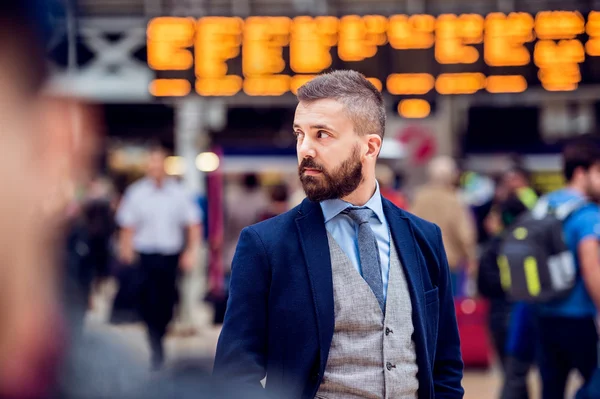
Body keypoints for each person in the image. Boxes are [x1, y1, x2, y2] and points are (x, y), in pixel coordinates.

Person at [213, 70, 463, 399]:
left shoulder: (424, 238)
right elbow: (233, 374)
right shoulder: (266, 245)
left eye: (322, 135)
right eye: (300, 134)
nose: (305, 149)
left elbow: (444, 366)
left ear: (369, 147)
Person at [116, 144, 202, 369]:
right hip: (145, 255)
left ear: (165, 165)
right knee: (146, 300)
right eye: (151, 164)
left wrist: (190, 252)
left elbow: (193, 224)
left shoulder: (179, 193)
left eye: (158, 164)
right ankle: (155, 342)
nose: (155, 168)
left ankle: (160, 332)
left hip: (169, 255)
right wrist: (126, 250)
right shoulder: (136, 193)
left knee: (165, 301)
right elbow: (127, 225)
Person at [534, 136, 600, 399]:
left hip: (542, 311)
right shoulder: (588, 213)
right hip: (578, 315)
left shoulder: (545, 205)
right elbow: (591, 265)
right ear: (582, 172)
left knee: (551, 388)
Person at [411, 156, 478, 293]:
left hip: (422, 260)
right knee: (449, 305)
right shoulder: (454, 199)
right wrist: (471, 257)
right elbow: (464, 234)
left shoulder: (419, 197)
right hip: (449, 261)